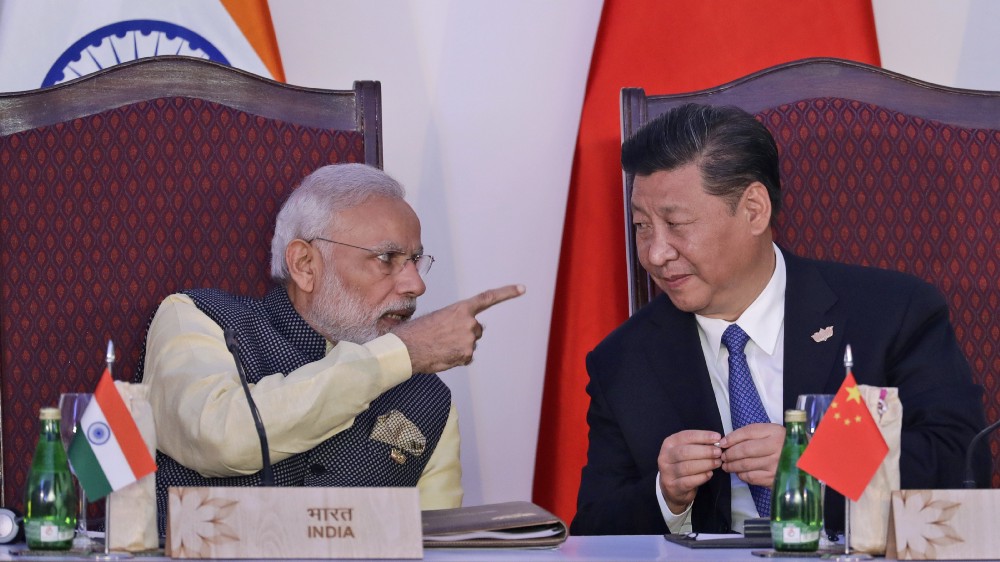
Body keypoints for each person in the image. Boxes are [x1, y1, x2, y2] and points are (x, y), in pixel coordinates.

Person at [570, 104, 989, 536]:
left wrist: (816, 456)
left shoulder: (891, 313)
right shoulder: (623, 362)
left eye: (676, 223)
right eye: (642, 227)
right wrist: (665, 495)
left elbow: (962, 464)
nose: (656, 254)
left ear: (754, 209)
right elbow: (592, 528)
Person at [140, 163, 524, 532]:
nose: (415, 285)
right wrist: (400, 353)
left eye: (415, 261)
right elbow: (221, 438)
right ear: (305, 264)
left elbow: (434, 547)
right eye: (386, 258)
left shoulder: (429, 399)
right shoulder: (200, 318)